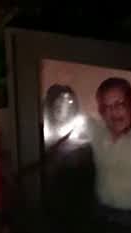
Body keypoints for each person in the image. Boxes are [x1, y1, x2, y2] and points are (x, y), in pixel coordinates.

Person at [87, 76, 131, 212]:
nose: (113, 112)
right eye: (107, 107)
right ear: (101, 112)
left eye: (119, 104)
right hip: (99, 211)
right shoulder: (97, 131)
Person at [40, 84, 94, 215]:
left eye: (68, 101)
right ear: (50, 105)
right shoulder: (40, 133)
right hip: (46, 201)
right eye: (58, 102)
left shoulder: (82, 137)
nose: (63, 106)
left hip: (73, 205)